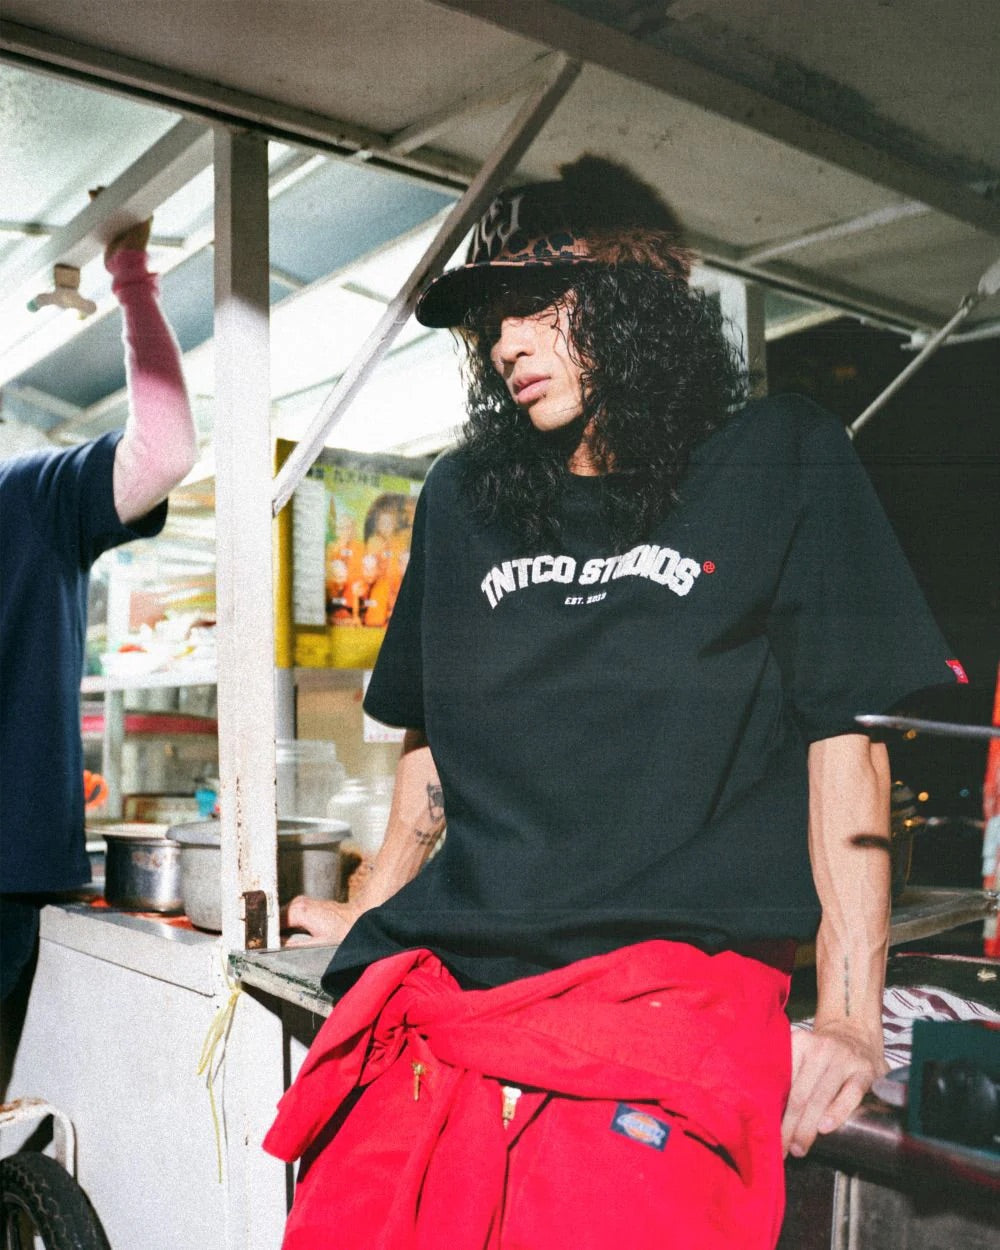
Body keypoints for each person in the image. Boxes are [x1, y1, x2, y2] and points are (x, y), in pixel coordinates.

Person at [270, 156, 966, 1248]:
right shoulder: (463, 496)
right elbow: (430, 741)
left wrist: (846, 1012)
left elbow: (847, 738)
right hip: (454, 984)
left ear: (635, 295)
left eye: (535, 302)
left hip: (668, 996)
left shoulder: (777, 455)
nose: (504, 344)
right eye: (490, 319)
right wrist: (374, 899)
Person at [0, 217, 197, 1005]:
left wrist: (132, 277)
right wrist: (130, 273)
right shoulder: (24, 496)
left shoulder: (23, 497)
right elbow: (165, 453)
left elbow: (164, 453)